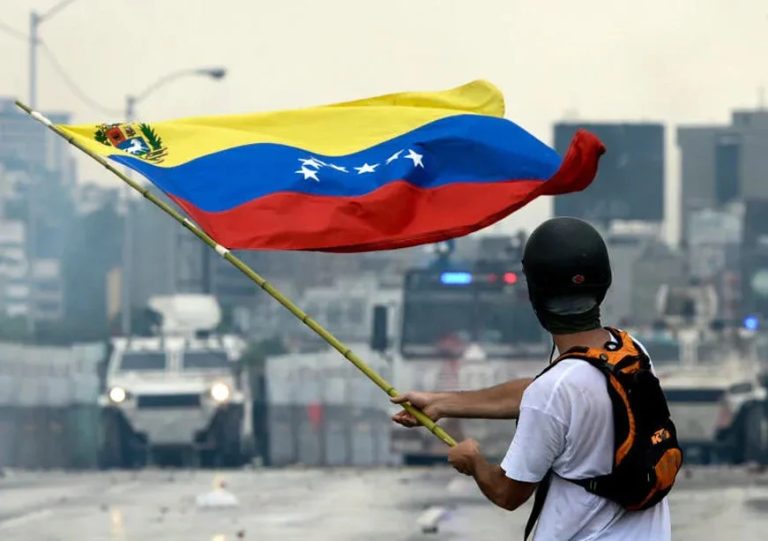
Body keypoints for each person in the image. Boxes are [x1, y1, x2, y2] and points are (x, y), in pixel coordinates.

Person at [391, 217, 672, 540]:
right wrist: (442, 403)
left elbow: (507, 493)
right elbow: (547, 393)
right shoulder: (631, 351)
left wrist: (473, 460)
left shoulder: (555, 392)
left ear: (535, 295)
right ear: (603, 282)